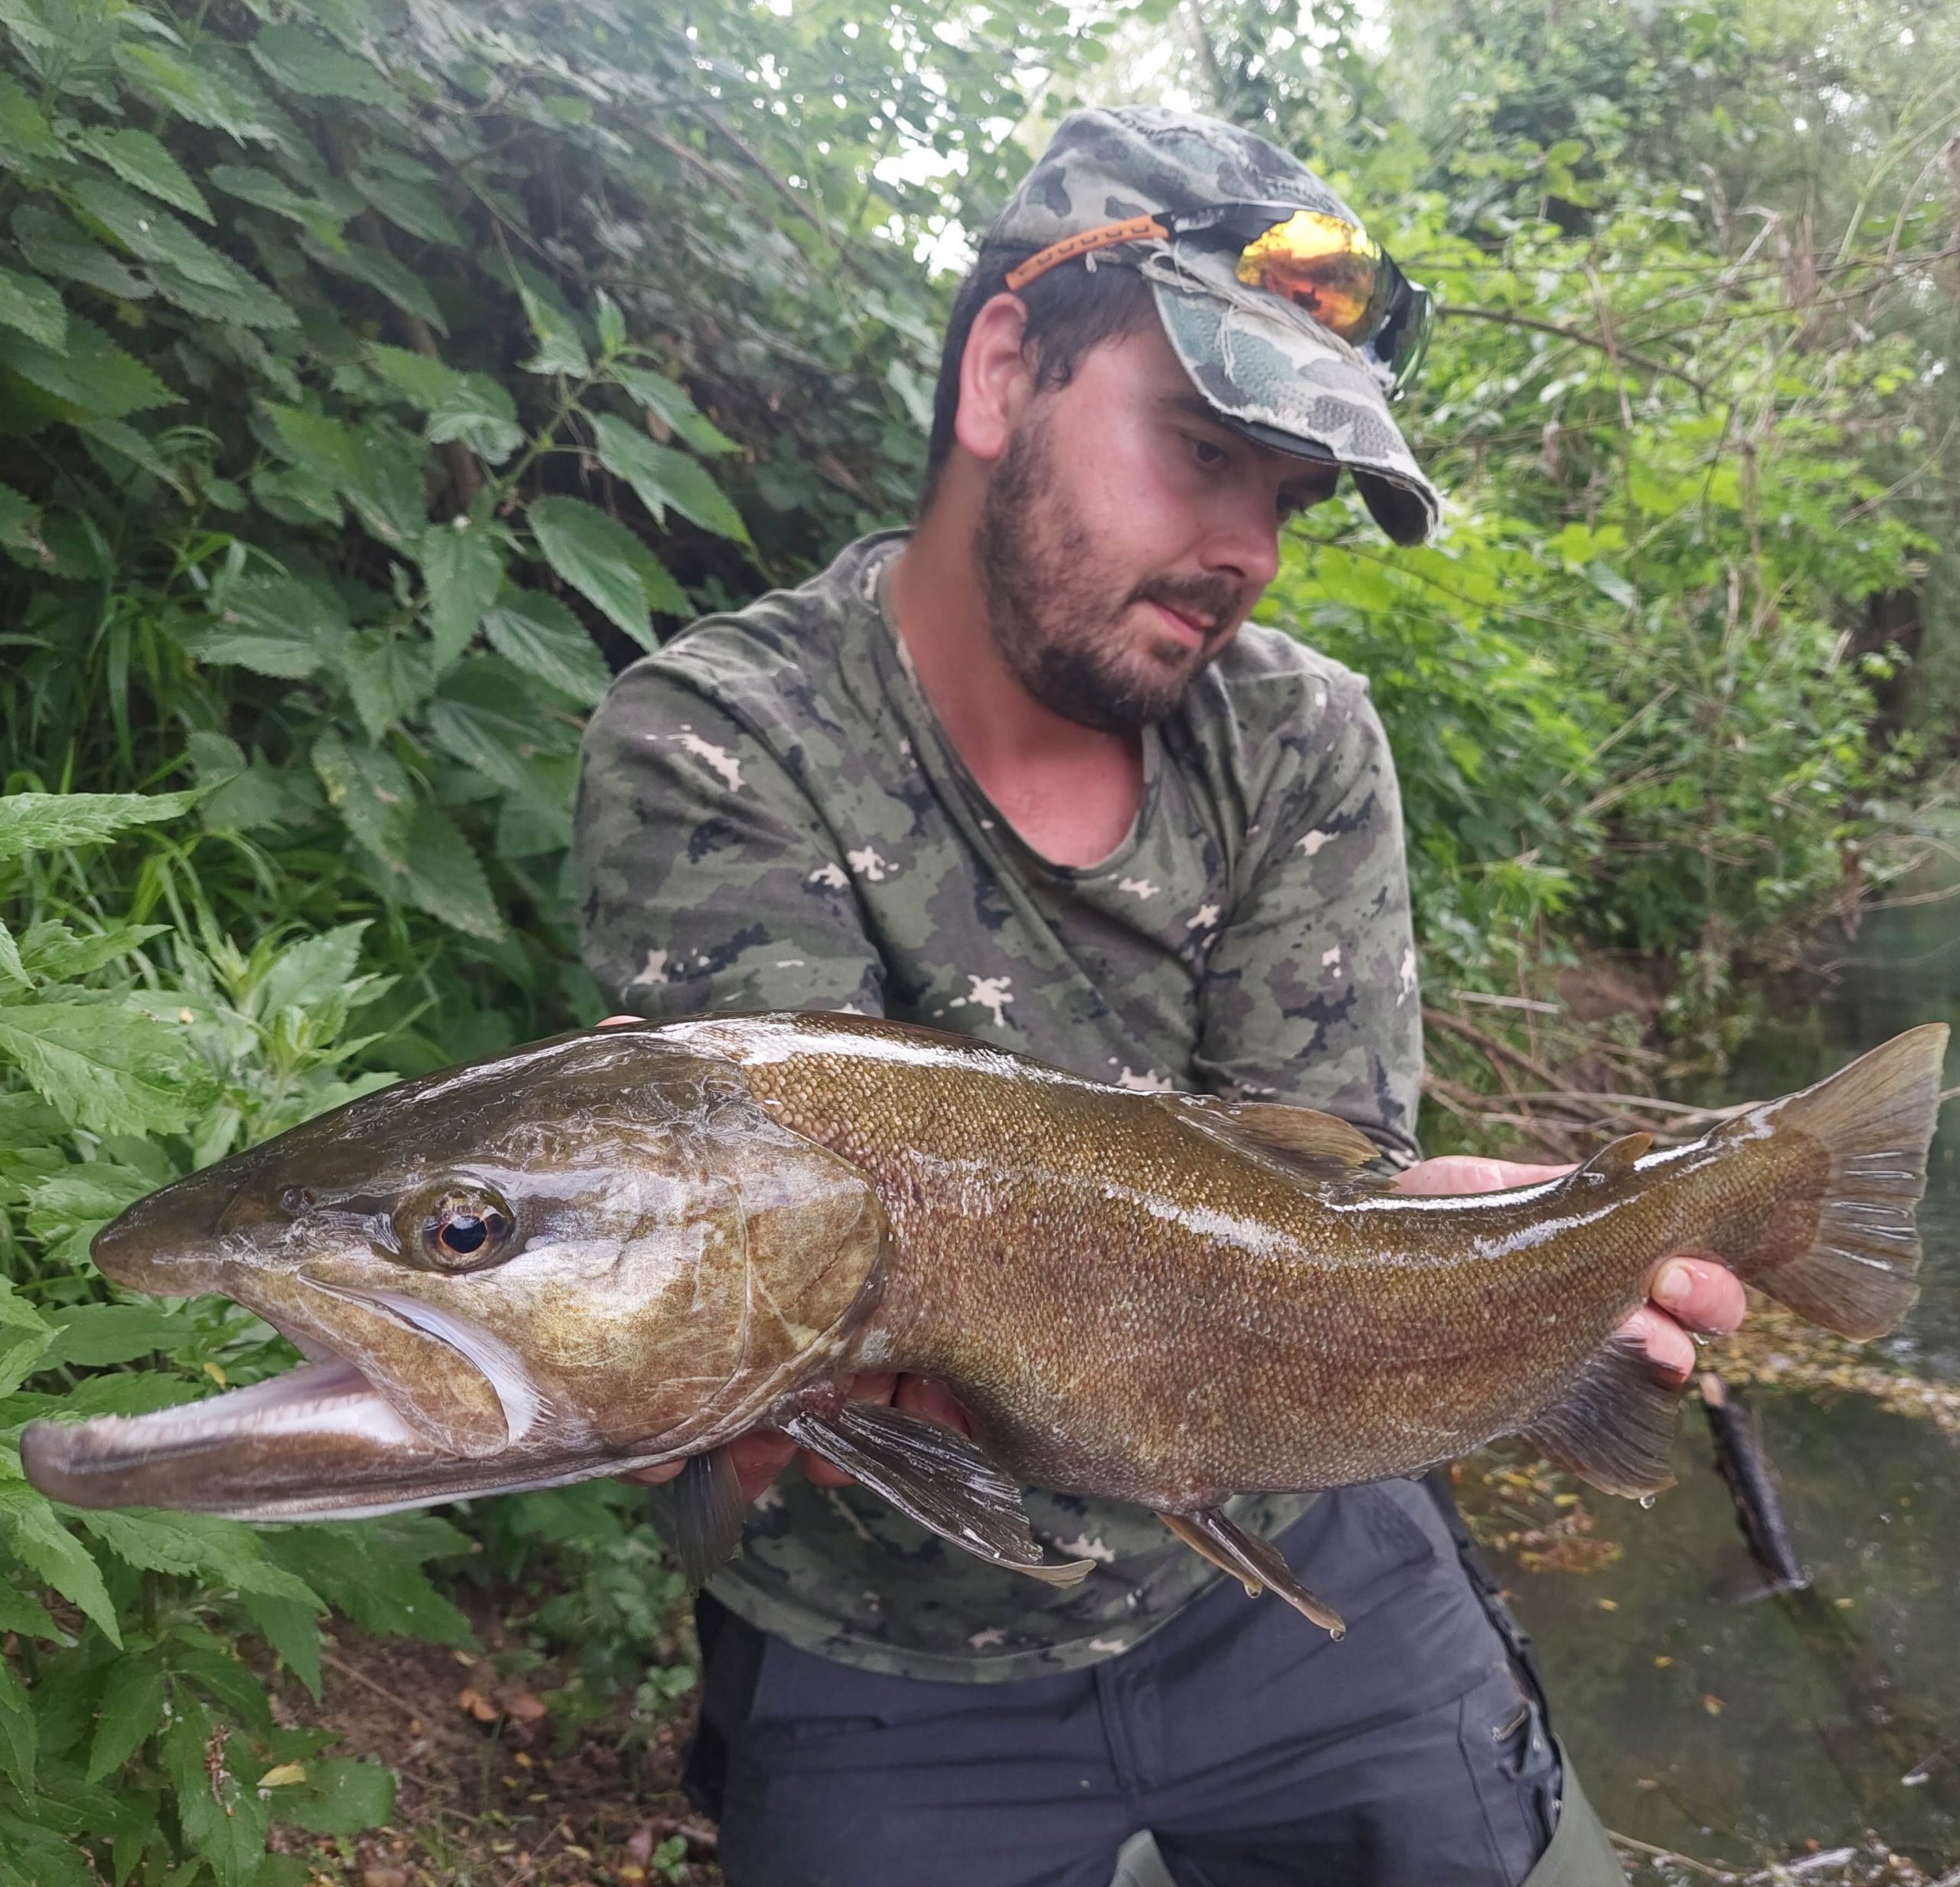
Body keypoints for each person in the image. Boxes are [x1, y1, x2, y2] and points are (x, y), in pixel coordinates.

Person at [573, 106, 1743, 1887]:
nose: (1248, 548)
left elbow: (1318, 1188)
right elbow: (773, 1289)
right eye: (1201, 449)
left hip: (1293, 1555)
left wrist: (1471, 1270)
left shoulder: (1299, 736)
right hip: (889, 1637)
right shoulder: (720, 741)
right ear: (997, 376)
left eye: (1281, 499)